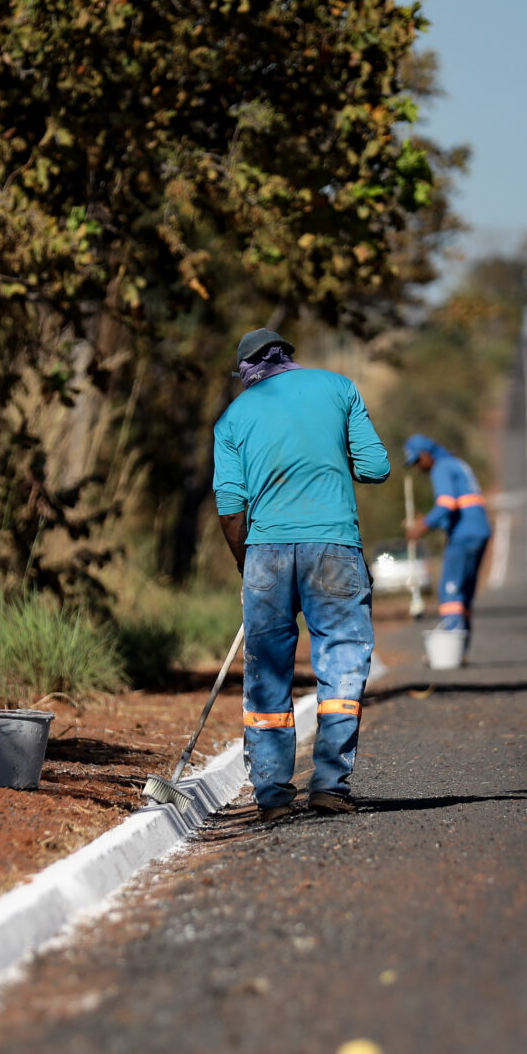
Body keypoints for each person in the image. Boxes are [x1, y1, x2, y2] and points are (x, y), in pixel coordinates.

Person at [213, 327, 390, 822]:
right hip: (334, 547)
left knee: (268, 671)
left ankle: (272, 795)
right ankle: (330, 783)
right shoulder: (339, 388)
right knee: (342, 659)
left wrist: (245, 565)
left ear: (246, 370)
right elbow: (376, 468)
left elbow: (230, 508)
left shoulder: (233, 418)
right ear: (289, 357)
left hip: (264, 554)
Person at [403, 434, 491, 646]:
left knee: (450, 590)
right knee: (464, 591)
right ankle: (462, 645)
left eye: (417, 461)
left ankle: (451, 645)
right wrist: (430, 521)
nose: (418, 467)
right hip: (480, 530)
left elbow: (446, 503)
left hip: (463, 535)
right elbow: (461, 506)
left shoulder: (441, 467)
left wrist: (421, 528)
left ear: (426, 454)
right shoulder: (457, 464)